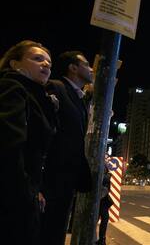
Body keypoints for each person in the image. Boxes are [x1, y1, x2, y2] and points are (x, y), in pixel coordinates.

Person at [0, 40, 57, 245]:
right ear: (15, 64)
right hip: (11, 198)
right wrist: (28, 192)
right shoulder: (12, 87)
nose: (46, 65)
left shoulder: (35, 94)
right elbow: (9, 146)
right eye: (37, 59)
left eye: (49, 62)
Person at [40, 51, 93, 245]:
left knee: (57, 229)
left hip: (65, 180)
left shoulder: (79, 98)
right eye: (86, 64)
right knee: (47, 231)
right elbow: (43, 133)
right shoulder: (56, 87)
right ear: (73, 68)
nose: (91, 69)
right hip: (51, 179)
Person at [96, 163, 114, 245]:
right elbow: (105, 191)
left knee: (100, 220)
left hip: (101, 203)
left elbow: (104, 191)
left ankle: (101, 240)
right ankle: (102, 240)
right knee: (103, 221)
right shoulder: (106, 177)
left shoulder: (105, 177)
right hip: (103, 203)